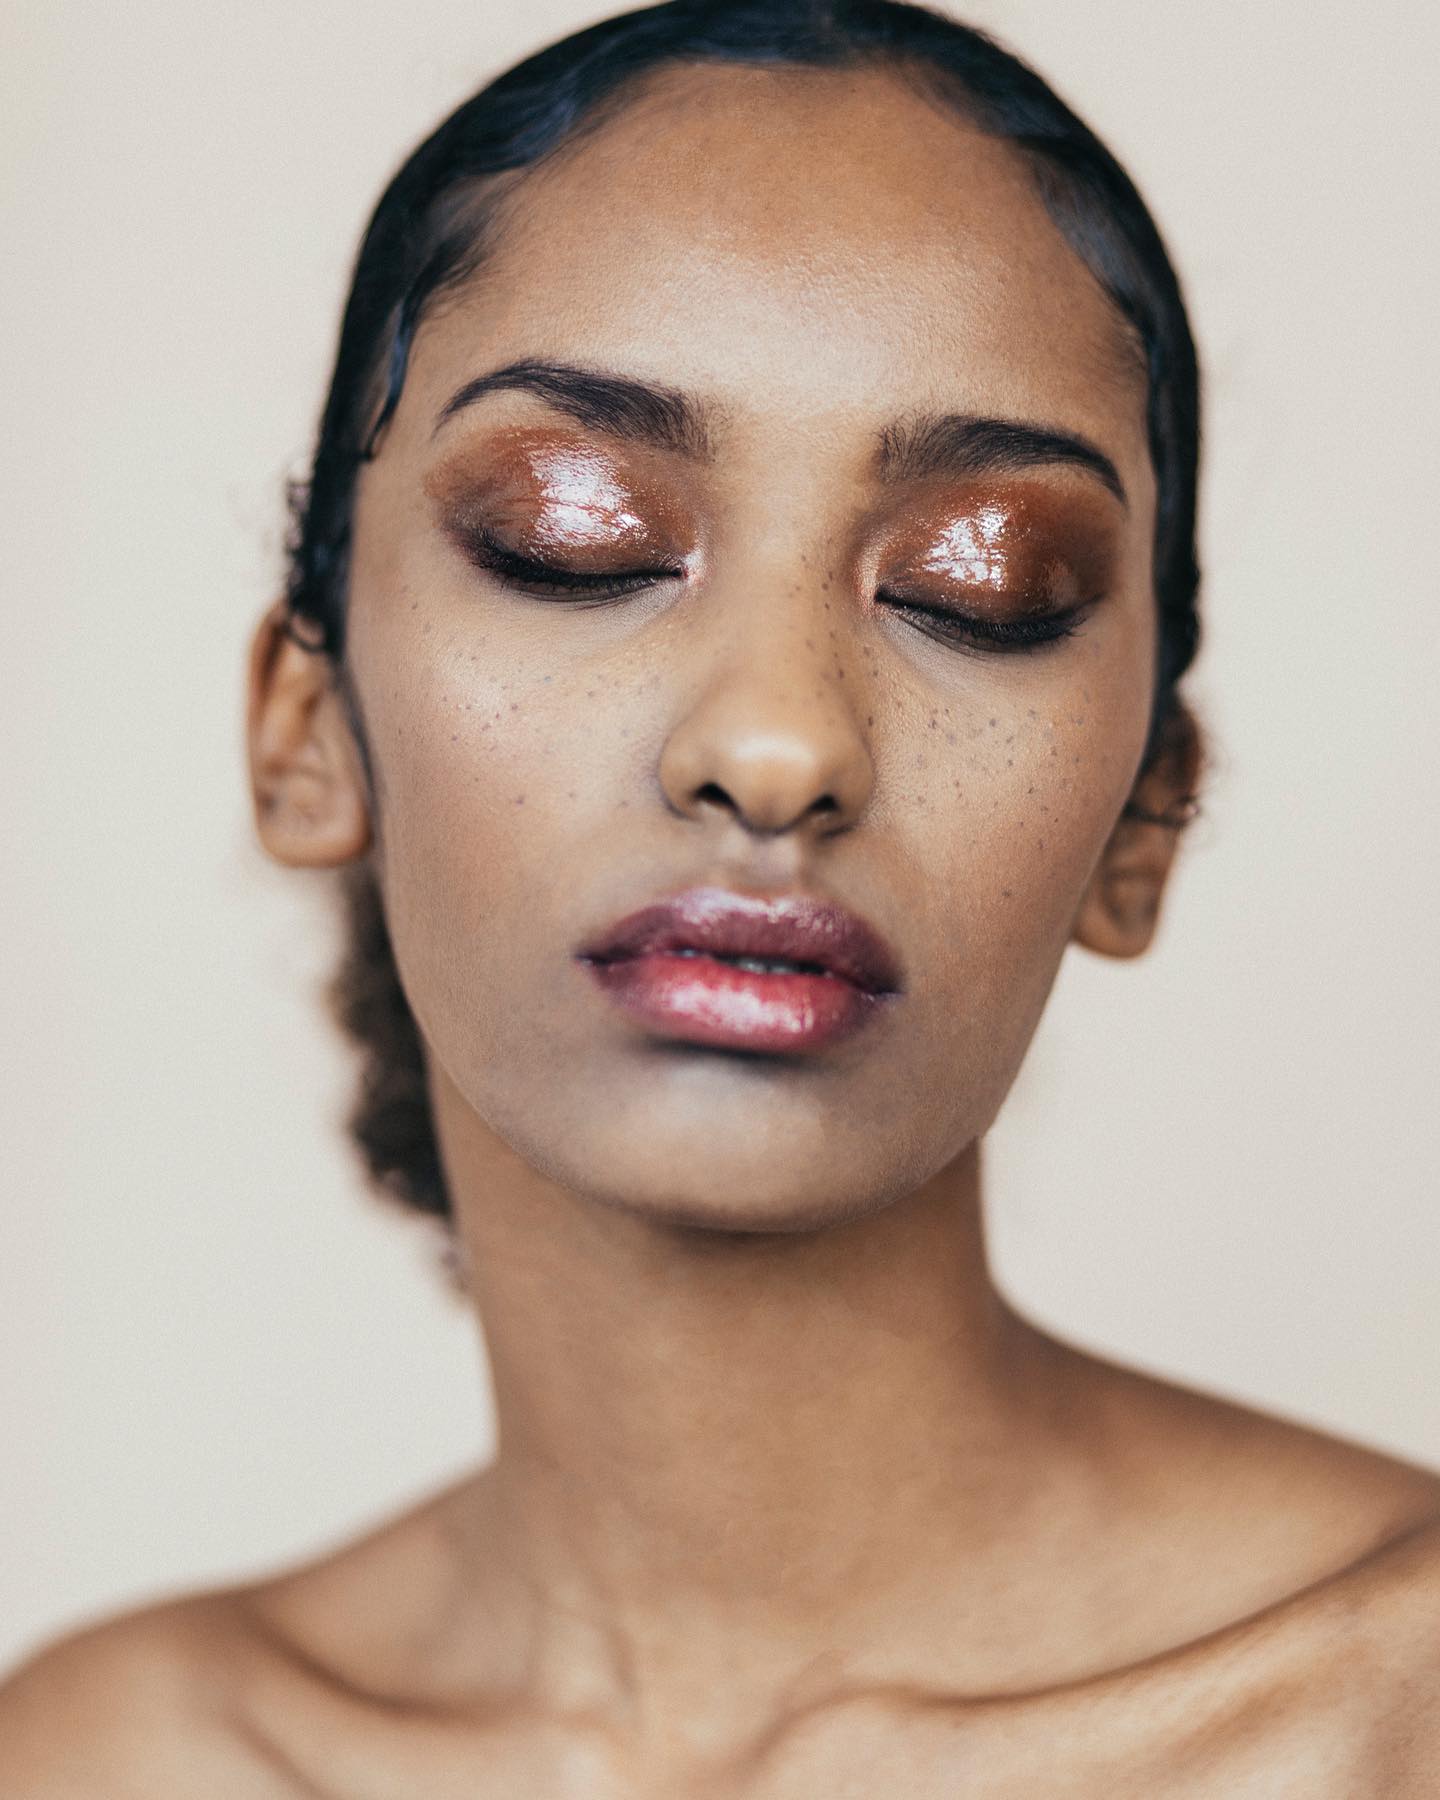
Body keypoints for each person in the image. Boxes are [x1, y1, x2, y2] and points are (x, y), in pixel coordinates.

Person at [3, 1, 1437, 1791]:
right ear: (309, 734)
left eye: (982, 587)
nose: (774, 747)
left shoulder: (1395, 1717)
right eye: (575, 537)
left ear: (1146, 813)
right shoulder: (104, 1758)